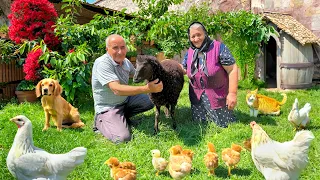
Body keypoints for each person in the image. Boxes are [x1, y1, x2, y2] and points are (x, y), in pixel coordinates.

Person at [91, 34, 163, 143]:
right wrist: (147, 88)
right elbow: (116, 89)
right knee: (122, 138)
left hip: (125, 101)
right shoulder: (102, 63)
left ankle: (122, 118)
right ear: (107, 49)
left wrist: (157, 75)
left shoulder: (125, 62)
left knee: (152, 99)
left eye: (122, 47)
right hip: (108, 108)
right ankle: (100, 122)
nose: (120, 51)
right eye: (115, 48)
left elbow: (138, 76)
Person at [181, 22, 238, 127]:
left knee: (222, 125)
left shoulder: (218, 48)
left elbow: (232, 69)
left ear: (205, 34)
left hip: (217, 96)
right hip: (197, 98)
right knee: (199, 125)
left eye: (199, 35)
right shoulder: (190, 52)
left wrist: (232, 94)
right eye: (193, 36)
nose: (196, 39)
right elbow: (184, 69)